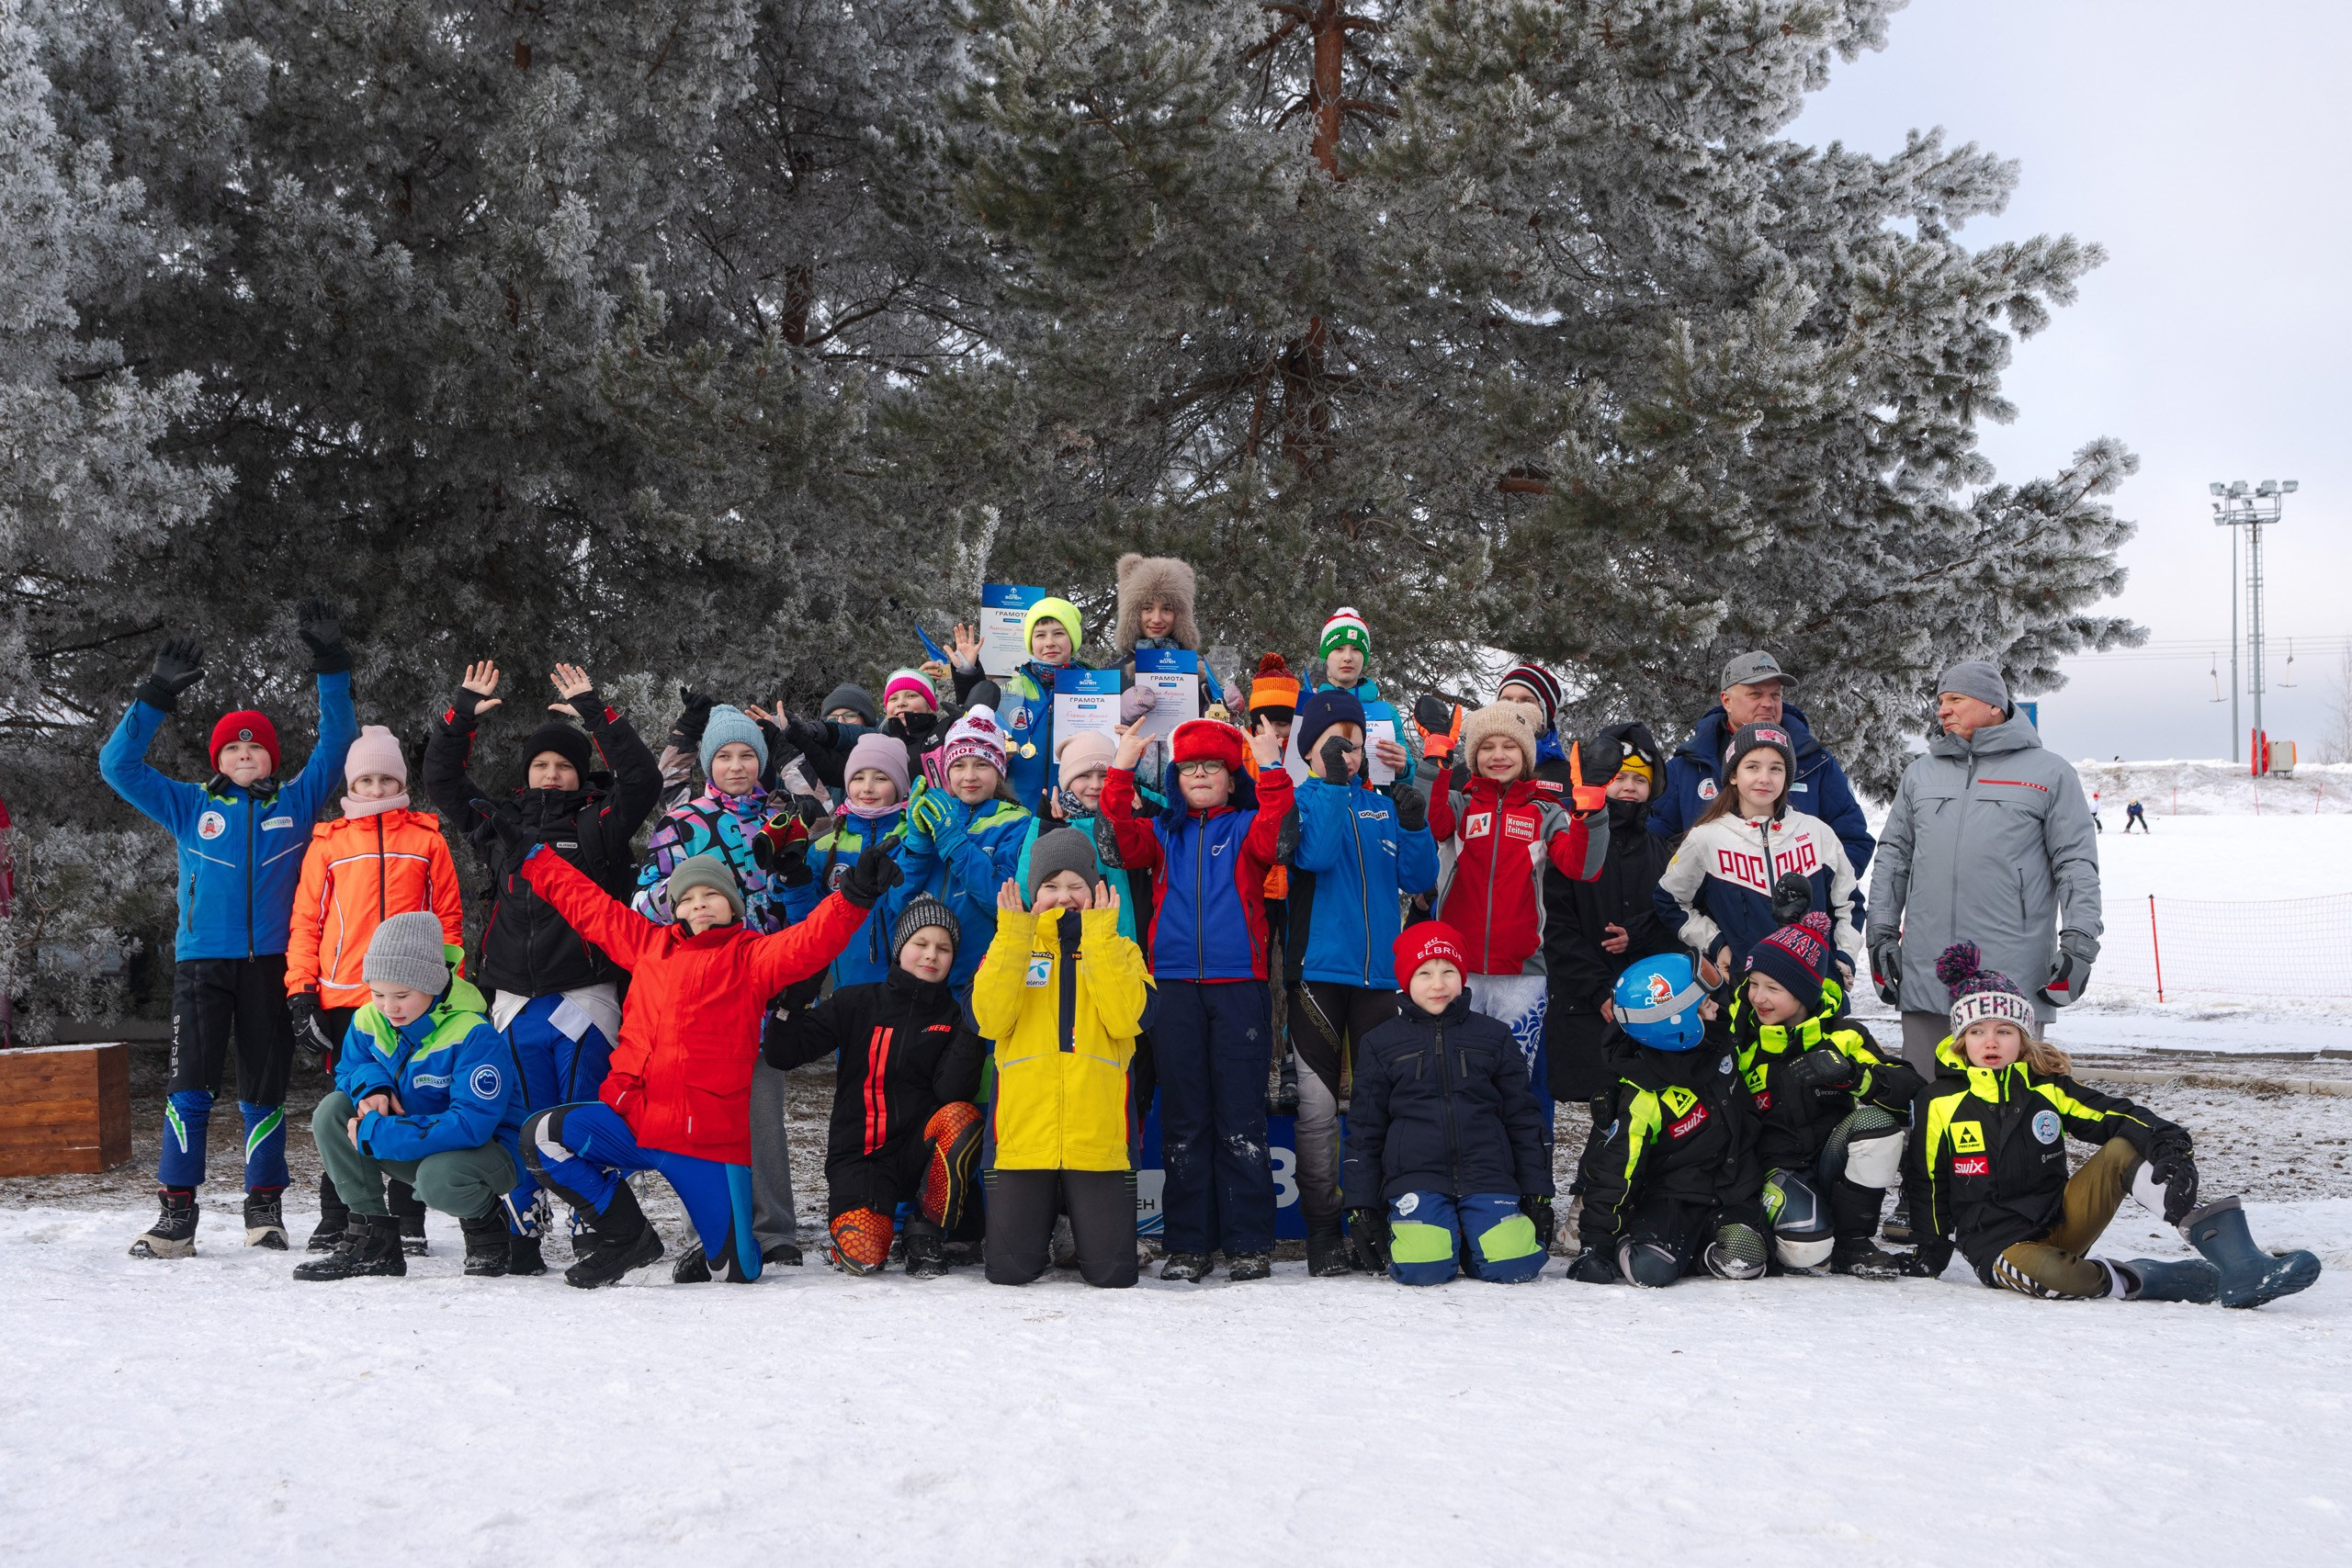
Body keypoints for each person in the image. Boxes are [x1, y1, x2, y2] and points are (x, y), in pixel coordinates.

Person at [511, 838, 898, 1287]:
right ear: (675, 909)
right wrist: (533, 859)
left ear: (733, 904)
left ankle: (725, 1249)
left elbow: (812, 940)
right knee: (541, 1136)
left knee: (737, 1273)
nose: (700, 904)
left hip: (706, 1144)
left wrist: (853, 896)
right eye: (688, 898)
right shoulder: (647, 947)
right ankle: (627, 1236)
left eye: (711, 894)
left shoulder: (753, 958)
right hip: (633, 1122)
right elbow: (589, 906)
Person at [102, 602, 358, 1258]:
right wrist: (154, 695)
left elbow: (338, 744)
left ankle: (264, 1207)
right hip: (201, 966)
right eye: (234, 745)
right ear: (220, 756)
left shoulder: (296, 802)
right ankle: (176, 1213)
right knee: (189, 1087)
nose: (246, 751)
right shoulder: (190, 804)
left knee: (262, 1090)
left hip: (271, 964)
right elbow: (118, 766)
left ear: (272, 758)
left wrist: (331, 665)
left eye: (256, 745)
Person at [1906, 943, 2320, 1306]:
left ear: (2024, 1038)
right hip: (1997, 1244)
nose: (1991, 1042)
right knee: (2058, 1279)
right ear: (1962, 1039)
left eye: (2003, 1030)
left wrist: (2170, 1147)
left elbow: (2114, 1115)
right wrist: (1931, 1251)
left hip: (2060, 1219)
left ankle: (2239, 1261)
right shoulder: (1939, 1101)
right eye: (1977, 1031)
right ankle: (2161, 1277)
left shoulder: (2046, 1088)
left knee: (2124, 1147)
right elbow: (1927, 1182)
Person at [423, 659, 662, 1272]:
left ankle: (597, 1219)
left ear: (581, 774)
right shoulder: (500, 825)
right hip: (512, 999)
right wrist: (460, 716)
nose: (551, 774)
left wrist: (595, 711)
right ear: (526, 772)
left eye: (563, 765)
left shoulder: (599, 823)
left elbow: (641, 780)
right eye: (541, 765)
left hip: (584, 997)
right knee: (523, 1118)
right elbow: (444, 784)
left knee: (578, 1113)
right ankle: (523, 1223)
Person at [1100, 716, 1295, 1281]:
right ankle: (1188, 1244)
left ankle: (1248, 1242)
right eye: (1190, 769)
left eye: (1213, 767)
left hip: (1241, 990)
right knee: (1184, 1120)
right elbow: (1116, 843)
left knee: (1240, 1118)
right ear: (1177, 779)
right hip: (1175, 989)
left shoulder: (1249, 824)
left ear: (1233, 779)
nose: (1201, 775)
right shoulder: (1161, 832)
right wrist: (1121, 767)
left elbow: (1280, 835)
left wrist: (1274, 765)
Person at [632, 701, 811, 1271]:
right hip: (699, 983)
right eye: (726, 756)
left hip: (764, 979)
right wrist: (690, 898)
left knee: (762, 1107)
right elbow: (642, 900)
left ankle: (774, 1227)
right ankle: (704, 1227)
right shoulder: (683, 821)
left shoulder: (783, 816)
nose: (737, 766)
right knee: (701, 1114)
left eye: (747, 755)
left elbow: (808, 896)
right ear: (709, 763)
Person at [1865, 660, 2102, 1077]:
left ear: (1994, 705)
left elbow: (2075, 863)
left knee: (2009, 1099)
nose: (1942, 710)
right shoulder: (1921, 773)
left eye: (1956, 699)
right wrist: (1881, 933)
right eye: (1940, 701)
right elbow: (1893, 857)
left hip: (2012, 968)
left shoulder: (2049, 773)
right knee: (1925, 1089)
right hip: (1927, 965)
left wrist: (2080, 940)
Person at [287, 724, 465, 1254]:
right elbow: (306, 921)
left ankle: (408, 1215)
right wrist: (301, 992)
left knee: (412, 1098)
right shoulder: (330, 844)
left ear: (401, 782)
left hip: (415, 994)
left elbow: (448, 918)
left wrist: (447, 980)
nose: (377, 788)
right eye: (366, 779)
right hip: (346, 995)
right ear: (351, 784)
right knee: (349, 1101)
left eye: (387, 778)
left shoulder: (427, 840)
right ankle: (338, 1212)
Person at [1281, 687, 1440, 1275]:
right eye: (1331, 742)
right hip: (1318, 976)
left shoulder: (1381, 806)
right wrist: (1327, 785)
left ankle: (1373, 1220)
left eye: (1352, 739)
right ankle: (1323, 1231)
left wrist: (1416, 820)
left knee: (1378, 1109)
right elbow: (1316, 856)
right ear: (1312, 751)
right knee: (1319, 1112)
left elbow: (1420, 878)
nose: (1345, 749)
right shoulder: (1302, 799)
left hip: (1379, 978)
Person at [762, 896, 986, 1278]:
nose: (931, 955)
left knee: (961, 1117)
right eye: (921, 943)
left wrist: (971, 1018)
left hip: (921, 1154)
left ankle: (925, 1231)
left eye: (943, 948)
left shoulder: (953, 1014)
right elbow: (783, 1054)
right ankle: (862, 1232)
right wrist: (791, 1004)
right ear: (900, 948)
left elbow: (952, 1093)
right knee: (864, 1258)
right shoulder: (856, 1001)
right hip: (861, 1157)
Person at [969, 831, 1153, 1288]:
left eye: (1076, 885)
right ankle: (1046, 1226)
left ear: (1094, 890)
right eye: (1050, 886)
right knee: (1010, 1272)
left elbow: (1128, 1019)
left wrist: (1101, 938)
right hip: (1023, 1136)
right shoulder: (1007, 947)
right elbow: (989, 1020)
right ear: (1033, 893)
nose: (1063, 897)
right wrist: (1014, 934)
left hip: (1099, 1139)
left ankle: (1080, 1228)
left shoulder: (1122, 950)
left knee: (1112, 1275)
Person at [295, 915, 524, 1280]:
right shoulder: (369, 1019)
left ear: (432, 985)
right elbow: (351, 1068)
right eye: (378, 993)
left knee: (439, 1178)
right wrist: (373, 1087)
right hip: (417, 1141)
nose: (389, 1007)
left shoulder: (472, 1033)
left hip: (485, 1155)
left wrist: (385, 1134)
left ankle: (487, 1230)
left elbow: (473, 1125)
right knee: (333, 1112)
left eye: (402, 995)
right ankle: (375, 1242)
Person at [1425, 702, 1608, 1124]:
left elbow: (1583, 866)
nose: (1498, 754)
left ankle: (1505, 1178)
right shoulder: (1459, 804)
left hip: (1523, 974)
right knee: (1453, 1077)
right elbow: (1428, 823)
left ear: (1526, 755)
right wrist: (1435, 760)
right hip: (1458, 968)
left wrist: (1591, 810)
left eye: (1510, 745)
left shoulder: (1546, 812)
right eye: (1487, 746)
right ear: (1474, 756)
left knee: (1510, 1081)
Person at [1343, 923, 1553, 1286]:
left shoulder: (1494, 1035)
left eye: (1448, 971)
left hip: (1488, 1175)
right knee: (1422, 1269)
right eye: (1424, 973)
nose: (1438, 984)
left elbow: (1523, 1117)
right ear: (1406, 981)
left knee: (1516, 1264)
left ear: (1463, 975)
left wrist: (1537, 1190)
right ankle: (1440, 1237)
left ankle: (1473, 1241)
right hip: (1416, 1178)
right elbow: (1365, 1129)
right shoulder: (1381, 1042)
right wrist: (1361, 1206)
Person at [1730, 914, 1918, 1279]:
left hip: (1831, 1160)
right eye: (1753, 984)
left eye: (1773, 987)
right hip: (1772, 1166)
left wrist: (1855, 1077)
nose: (1758, 997)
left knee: (1878, 1125)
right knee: (1806, 1254)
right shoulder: (1741, 1036)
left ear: (1802, 991)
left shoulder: (1843, 1034)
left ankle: (1853, 1242)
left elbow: (1912, 1092)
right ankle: (1785, 1228)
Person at [1566, 953, 1766, 1287]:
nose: (1716, 1009)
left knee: (1746, 1261)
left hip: (1732, 1192)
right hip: (1674, 1197)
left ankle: (1700, 1254)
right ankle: (1632, 1240)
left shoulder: (1719, 1047)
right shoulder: (1644, 1096)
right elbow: (1617, 1170)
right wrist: (1595, 1245)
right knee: (1650, 1273)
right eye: (1704, 1007)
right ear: (1676, 1023)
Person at [1654, 720, 1862, 983]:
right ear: (1732, 775)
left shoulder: (1816, 832)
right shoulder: (1706, 838)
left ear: (1787, 776)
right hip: (1747, 994)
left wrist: (1844, 955)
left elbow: (1849, 902)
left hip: (1815, 989)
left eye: (1776, 768)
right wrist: (1717, 945)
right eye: (1752, 767)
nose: (1764, 778)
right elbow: (1670, 900)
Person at [1543, 724, 1677, 1112]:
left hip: (1652, 1003)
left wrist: (1640, 935)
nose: (1629, 787)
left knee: (1650, 1107)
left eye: (1639, 778)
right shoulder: (1573, 842)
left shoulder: (1662, 853)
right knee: (1601, 1110)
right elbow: (1556, 927)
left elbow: (1676, 921)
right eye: (1620, 778)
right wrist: (1598, 989)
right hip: (1586, 1006)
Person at [1650, 650, 1874, 877]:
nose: (1768, 704)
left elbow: (1853, 839)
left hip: (1798, 910)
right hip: (1710, 911)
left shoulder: (1815, 762)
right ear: (1726, 700)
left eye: (1775, 695)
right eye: (1755, 694)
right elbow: (1655, 843)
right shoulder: (1689, 765)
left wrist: (1816, 891)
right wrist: (1694, 894)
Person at [892, 705, 1033, 990]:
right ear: (946, 771)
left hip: (981, 972)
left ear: (999, 771)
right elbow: (897, 901)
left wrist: (955, 843)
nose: (969, 776)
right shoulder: (931, 813)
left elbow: (1003, 902)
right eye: (958, 765)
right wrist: (918, 848)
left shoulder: (1016, 822)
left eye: (981, 764)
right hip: (921, 970)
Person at [950, 595, 1095, 808]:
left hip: (1077, 814)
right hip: (1017, 813)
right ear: (1030, 642)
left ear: (1072, 639)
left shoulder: (1095, 691)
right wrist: (967, 673)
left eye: (1059, 634)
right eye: (1040, 635)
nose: (1049, 643)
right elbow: (974, 728)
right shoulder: (1010, 692)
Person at [1309, 607, 1417, 789]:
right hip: (1316, 807)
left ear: (1365, 658)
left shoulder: (1385, 712)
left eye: (1357, 649)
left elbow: (1403, 783)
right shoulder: (1307, 705)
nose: (1348, 657)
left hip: (1368, 809)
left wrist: (1403, 770)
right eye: (1339, 649)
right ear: (1326, 656)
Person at [1109, 552, 1228, 715]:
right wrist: (1121, 714)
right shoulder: (1112, 675)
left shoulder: (1203, 672)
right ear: (1132, 614)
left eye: (1167, 609)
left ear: (1181, 616)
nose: (1156, 619)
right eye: (1147, 608)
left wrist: (1226, 708)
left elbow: (1216, 726)